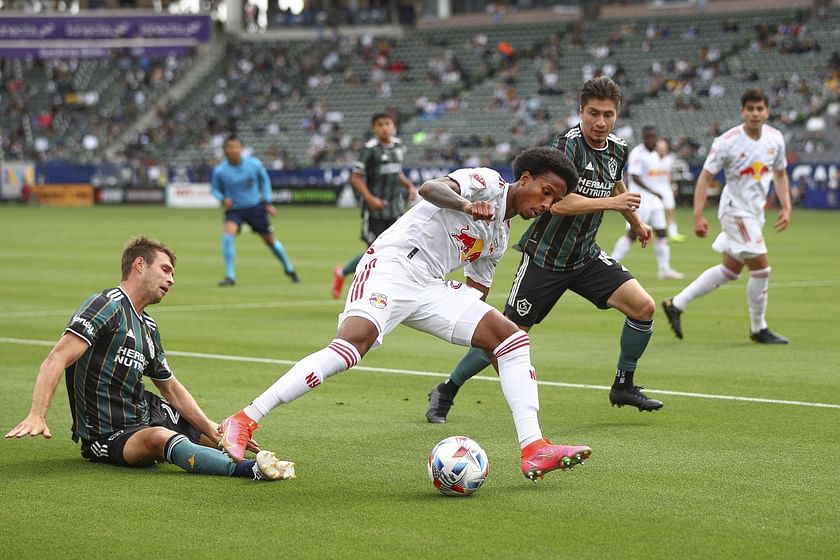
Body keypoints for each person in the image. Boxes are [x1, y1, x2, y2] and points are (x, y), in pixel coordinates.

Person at [220, 148, 591, 482]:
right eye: (546, 192)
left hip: (430, 287)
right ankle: (245, 418)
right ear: (525, 179)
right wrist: (465, 205)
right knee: (351, 347)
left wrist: (468, 311)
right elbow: (430, 188)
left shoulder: (499, 237)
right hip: (392, 266)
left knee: (510, 340)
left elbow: (477, 291)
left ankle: (534, 448)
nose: (547, 204)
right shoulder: (488, 183)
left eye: (555, 200)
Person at [426, 76, 662, 426]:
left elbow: (615, 182)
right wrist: (614, 204)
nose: (600, 122)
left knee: (643, 307)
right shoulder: (567, 147)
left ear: (617, 115)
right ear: (580, 111)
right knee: (506, 334)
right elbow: (558, 205)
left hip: (584, 255)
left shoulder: (617, 148)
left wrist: (635, 222)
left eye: (608, 115)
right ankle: (447, 388)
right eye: (593, 113)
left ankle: (623, 384)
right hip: (546, 258)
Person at [5, 237, 294, 481]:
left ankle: (262, 459)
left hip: (144, 411)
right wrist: (37, 413)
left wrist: (219, 435)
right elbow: (57, 358)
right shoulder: (106, 305)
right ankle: (249, 471)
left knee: (211, 432)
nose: (172, 279)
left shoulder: (148, 326)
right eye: (166, 270)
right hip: (108, 434)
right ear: (139, 265)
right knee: (159, 437)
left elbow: (171, 388)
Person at [662, 88, 792, 344]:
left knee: (730, 270)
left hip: (754, 212)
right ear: (742, 111)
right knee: (762, 269)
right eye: (750, 109)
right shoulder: (727, 141)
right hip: (735, 211)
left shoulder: (775, 139)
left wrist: (786, 206)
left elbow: (780, 174)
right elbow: (705, 177)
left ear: (767, 111)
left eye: (760, 109)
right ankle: (758, 328)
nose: (755, 114)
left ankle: (676, 304)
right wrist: (698, 215)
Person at [332, 112, 417, 299]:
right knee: (374, 252)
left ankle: (386, 290)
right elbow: (356, 178)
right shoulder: (370, 149)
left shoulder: (399, 146)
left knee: (397, 249)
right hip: (374, 211)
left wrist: (409, 186)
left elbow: (396, 172)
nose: (384, 127)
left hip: (395, 209)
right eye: (380, 125)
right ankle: (352, 280)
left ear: (393, 126)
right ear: (374, 129)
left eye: (387, 123)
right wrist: (370, 198)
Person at [211, 135, 299, 287]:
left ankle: (289, 269)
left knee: (270, 241)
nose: (234, 150)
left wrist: (268, 202)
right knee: (227, 236)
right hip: (235, 210)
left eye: (237, 146)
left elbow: (264, 181)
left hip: (255, 207)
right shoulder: (220, 171)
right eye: (230, 147)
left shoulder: (254, 164)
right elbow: (214, 190)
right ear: (225, 150)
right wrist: (223, 198)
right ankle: (230, 276)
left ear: (242, 148)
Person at [611, 125, 684, 279]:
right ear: (644, 137)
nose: (651, 139)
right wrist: (653, 190)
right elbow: (634, 175)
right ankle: (612, 263)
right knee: (632, 234)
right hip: (641, 199)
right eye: (648, 137)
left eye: (653, 137)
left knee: (661, 232)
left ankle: (664, 270)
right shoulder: (638, 153)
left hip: (655, 201)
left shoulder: (656, 154)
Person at [655, 138, 686, 242]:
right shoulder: (652, 159)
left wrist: (674, 186)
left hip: (666, 188)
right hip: (653, 189)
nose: (661, 149)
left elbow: (671, 175)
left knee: (670, 211)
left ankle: (673, 233)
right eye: (659, 147)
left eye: (663, 148)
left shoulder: (670, 160)